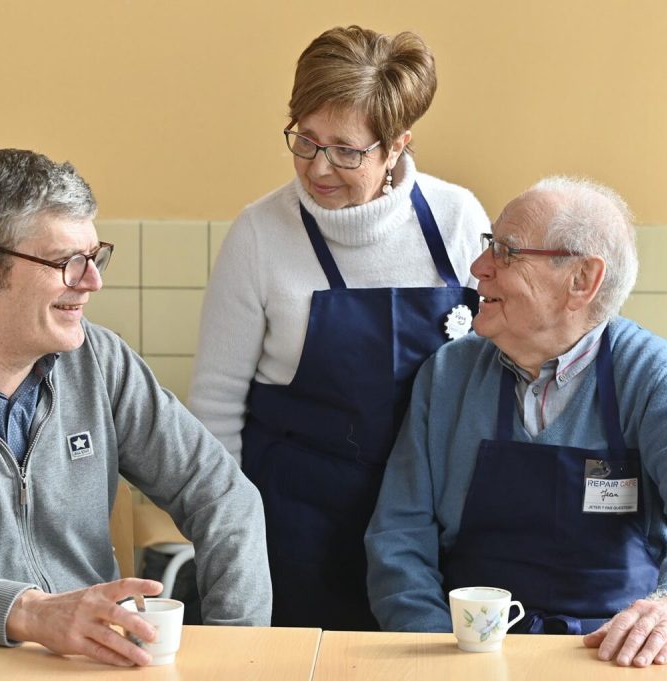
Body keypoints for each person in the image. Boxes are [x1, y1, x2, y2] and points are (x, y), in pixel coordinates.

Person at [0, 148, 271, 667]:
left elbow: (224, 496)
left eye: (94, 256)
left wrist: (239, 655)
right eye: (66, 263)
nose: (92, 282)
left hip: (89, 667)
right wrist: (34, 614)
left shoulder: (99, 362)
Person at [365, 176, 667, 666]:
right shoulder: (450, 374)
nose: (478, 268)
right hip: (466, 654)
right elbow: (399, 537)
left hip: (615, 659)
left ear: (582, 280)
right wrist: (433, 649)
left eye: (506, 252)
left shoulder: (655, 377)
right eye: (490, 245)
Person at [188, 25, 487, 630]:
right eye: (305, 141)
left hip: (428, 531)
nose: (318, 168)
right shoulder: (260, 233)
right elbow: (215, 407)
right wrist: (231, 546)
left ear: (397, 145)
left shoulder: (457, 220)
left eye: (346, 150)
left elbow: (491, 376)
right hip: (296, 528)